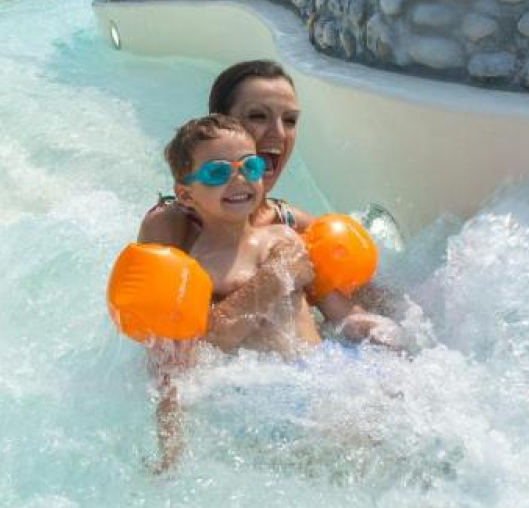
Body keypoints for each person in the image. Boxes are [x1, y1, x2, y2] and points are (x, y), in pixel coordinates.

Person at [138, 60, 394, 345]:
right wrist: (273, 278)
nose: (280, 133)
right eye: (258, 116)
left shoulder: (291, 228)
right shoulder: (172, 226)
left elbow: (359, 311)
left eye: (290, 120)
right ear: (222, 124)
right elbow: (169, 350)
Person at [150, 113, 322, 471]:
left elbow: (333, 305)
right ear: (185, 194)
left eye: (251, 166)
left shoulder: (283, 237)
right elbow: (190, 356)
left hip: (323, 374)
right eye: (217, 173)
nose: (239, 179)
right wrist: (170, 452)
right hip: (264, 398)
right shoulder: (194, 270)